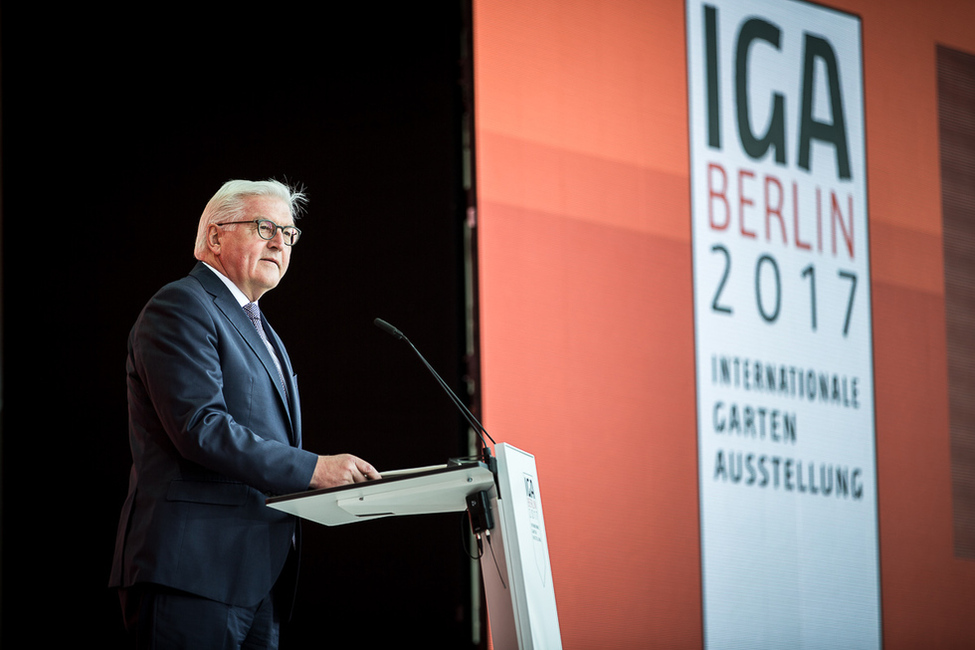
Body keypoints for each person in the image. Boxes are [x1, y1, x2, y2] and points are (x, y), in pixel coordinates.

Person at [109, 179, 380, 648]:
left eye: (289, 233)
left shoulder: (262, 327)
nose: (281, 242)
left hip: (258, 576)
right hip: (192, 570)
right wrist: (313, 468)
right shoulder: (181, 306)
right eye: (264, 227)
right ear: (215, 237)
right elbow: (200, 427)